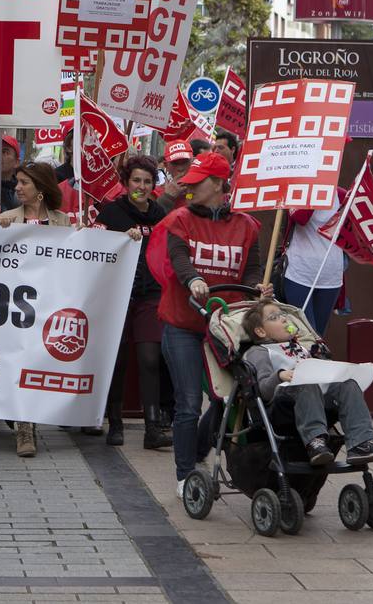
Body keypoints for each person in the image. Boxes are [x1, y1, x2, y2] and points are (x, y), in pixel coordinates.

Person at [150, 152, 268, 496]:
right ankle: (186, 475)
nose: (188, 189)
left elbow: (252, 269)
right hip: (183, 324)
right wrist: (193, 280)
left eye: (196, 183)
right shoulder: (180, 219)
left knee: (226, 399)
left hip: (224, 328)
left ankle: (199, 449)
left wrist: (258, 287)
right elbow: (179, 257)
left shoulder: (246, 225)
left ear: (217, 184)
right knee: (188, 402)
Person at [242, 300, 373, 467]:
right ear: (260, 331)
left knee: (348, 385)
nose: (284, 319)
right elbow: (263, 389)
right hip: (284, 404)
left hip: (317, 399)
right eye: (274, 317)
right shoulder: (260, 352)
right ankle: (315, 442)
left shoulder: (301, 347)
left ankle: (360, 443)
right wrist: (280, 375)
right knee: (307, 383)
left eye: (283, 315)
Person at [96, 155, 172, 451]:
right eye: (136, 181)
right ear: (126, 184)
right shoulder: (112, 213)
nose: (142, 186)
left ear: (154, 185)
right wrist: (120, 238)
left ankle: (152, 428)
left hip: (150, 295)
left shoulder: (161, 214)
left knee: (150, 358)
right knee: (119, 359)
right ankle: (114, 423)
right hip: (118, 294)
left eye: (148, 181)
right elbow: (95, 246)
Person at [0, 160, 69, 458]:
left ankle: (27, 422)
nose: (17, 187)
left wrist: (125, 239)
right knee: (19, 363)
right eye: (18, 182)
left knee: (36, 365)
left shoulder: (63, 222)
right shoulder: (7, 219)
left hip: (50, 305)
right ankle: (24, 426)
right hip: (15, 306)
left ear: (40, 189)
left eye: (24, 182)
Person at [280, 194, 346, 336]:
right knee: (305, 335)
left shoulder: (342, 195)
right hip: (299, 273)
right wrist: (317, 191)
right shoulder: (301, 192)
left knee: (318, 336)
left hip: (330, 274)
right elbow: (300, 218)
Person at [154, 141, 194, 212]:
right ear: (166, 166)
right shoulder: (156, 192)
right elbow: (151, 221)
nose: (180, 168)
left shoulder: (205, 190)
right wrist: (167, 197)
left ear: (193, 161)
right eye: (175, 163)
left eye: (185, 162)